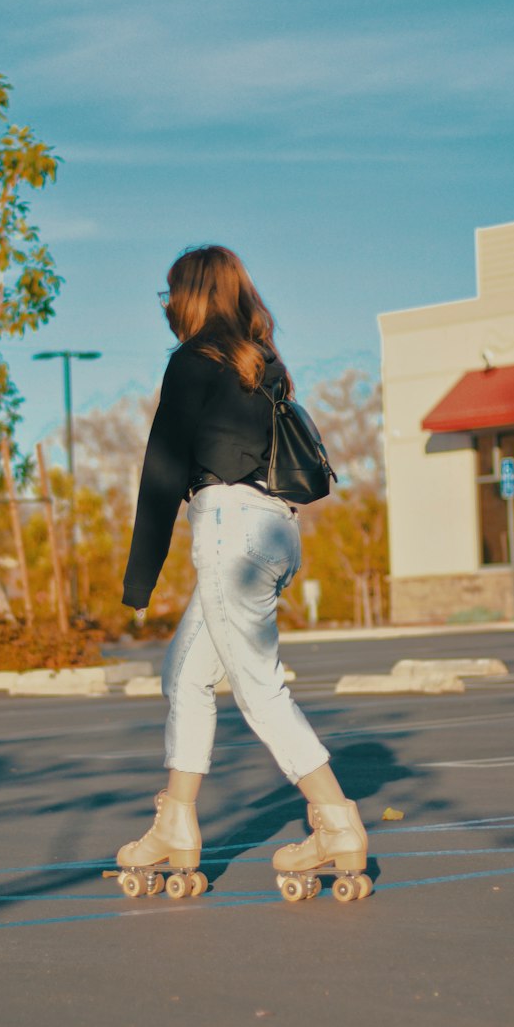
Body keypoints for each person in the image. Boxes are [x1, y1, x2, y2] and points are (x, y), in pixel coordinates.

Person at [116, 243, 369, 898]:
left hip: (230, 532)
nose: (167, 303)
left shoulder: (190, 364)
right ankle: (176, 822)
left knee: (258, 689)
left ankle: (337, 820)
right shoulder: (265, 365)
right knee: (186, 674)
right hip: (278, 532)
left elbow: (163, 470)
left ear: (192, 295)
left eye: (171, 291)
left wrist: (139, 576)